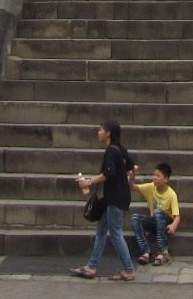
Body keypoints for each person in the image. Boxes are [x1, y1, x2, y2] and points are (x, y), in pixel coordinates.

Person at [71, 120, 137, 281]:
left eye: (100, 129)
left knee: (115, 233)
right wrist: (128, 181)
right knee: (101, 231)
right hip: (117, 197)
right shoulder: (120, 149)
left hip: (114, 198)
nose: (98, 132)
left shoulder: (110, 152)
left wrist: (88, 181)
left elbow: (109, 174)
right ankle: (91, 266)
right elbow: (133, 167)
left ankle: (129, 269)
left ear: (108, 133)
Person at [129, 162, 180, 265]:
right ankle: (146, 252)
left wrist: (174, 225)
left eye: (158, 176)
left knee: (158, 212)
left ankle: (163, 252)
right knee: (135, 218)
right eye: (154, 175)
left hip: (166, 222)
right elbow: (133, 187)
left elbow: (177, 216)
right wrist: (132, 177)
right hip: (154, 221)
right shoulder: (150, 187)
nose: (154, 178)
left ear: (165, 179)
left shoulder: (171, 194)